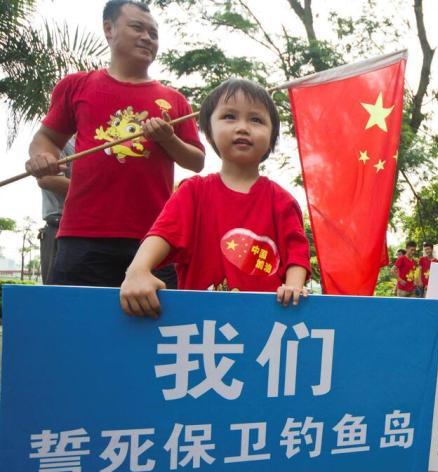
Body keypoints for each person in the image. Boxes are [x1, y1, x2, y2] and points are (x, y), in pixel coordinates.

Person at [25, 0, 205, 288]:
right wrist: (43, 156)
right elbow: (46, 139)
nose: (147, 38)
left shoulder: (174, 100)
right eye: (137, 28)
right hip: (83, 233)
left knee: (159, 317)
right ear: (109, 29)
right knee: (76, 314)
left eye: (153, 33)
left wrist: (168, 139)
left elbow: (196, 161)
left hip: (155, 238)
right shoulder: (77, 86)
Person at [120, 78, 311, 316]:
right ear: (208, 132)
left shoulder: (282, 200)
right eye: (229, 116)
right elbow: (163, 234)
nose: (243, 127)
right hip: (200, 324)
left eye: (256, 120)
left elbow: (296, 254)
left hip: (265, 323)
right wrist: (138, 270)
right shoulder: (193, 192)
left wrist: (294, 286)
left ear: (272, 138)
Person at [37, 138, 74, 284]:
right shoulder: (58, 141)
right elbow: (47, 179)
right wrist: (97, 190)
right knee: (57, 289)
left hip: (94, 226)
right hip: (59, 226)